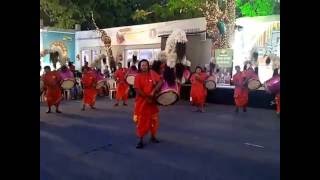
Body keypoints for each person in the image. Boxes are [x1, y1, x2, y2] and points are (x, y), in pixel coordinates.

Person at [133, 59, 163, 149]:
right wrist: (147, 97)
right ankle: (140, 140)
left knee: (154, 120)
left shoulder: (152, 73)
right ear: (140, 66)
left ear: (148, 65)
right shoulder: (138, 76)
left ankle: (153, 136)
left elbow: (160, 81)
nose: (144, 66)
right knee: (141, 121)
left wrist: (154, 91)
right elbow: (137, 89)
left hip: (152, 102)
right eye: (142, 65)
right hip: (142, 103)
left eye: (146, 65)